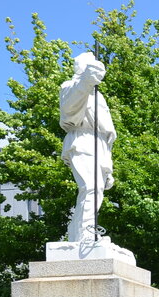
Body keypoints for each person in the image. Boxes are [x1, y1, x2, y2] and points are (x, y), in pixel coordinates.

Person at [60, 52, 117, 242]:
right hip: (82, 139)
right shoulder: (71, 86)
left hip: (99, 144)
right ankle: (85, 233)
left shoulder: (97, 95)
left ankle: (77, 232)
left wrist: (108, 168)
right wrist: (85, 81)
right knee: (90, 188)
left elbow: (106, 133)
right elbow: (69, 111)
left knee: (96, 190)